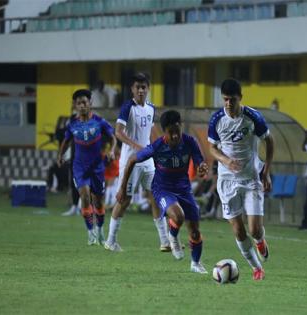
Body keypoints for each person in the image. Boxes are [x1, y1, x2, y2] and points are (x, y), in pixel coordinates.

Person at [116, 110, 209, 274]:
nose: (174, 136)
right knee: (178, 216)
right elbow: (131, 160)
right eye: (170, 132)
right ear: (164, 131)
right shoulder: (157, 146)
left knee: (194, 230)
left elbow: (199, 161)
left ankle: (195, 264)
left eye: (177, 131)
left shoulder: (190, 142)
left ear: (181, 127)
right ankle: (172, 236)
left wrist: (202, 167)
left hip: (184, 190)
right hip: (162, 189)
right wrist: (123, 187)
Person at [207, 78, 274, 281]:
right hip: (227, 181)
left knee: (254, 229)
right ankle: (256, 267)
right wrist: (225, 160)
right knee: (238, 229)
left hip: (252, 177)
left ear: (240, 98)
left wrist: (267, 170)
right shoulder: (217, 119)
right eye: (225, 99)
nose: (228, 103)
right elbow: (212, 148)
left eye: (232, 100)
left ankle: (260, 240)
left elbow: (269, 141)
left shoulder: (253, 117)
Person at [104, 72, 170, 252]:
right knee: (124, 200)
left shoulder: (151, 108)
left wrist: (157, 147)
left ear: (148, 89)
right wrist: (137, 146)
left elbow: (150, 131)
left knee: (156, 197)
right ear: (132, 89)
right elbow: (118, 132)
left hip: (147, 161)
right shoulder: (127, 107)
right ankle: (111, 241)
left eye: (144, 87)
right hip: (130, 160)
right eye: (137, 87)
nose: (141, 90)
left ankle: (165, 241)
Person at [57, 89, 117, 245]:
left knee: (98, 201)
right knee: (84, 196)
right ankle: (90, 232)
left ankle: (100, 230)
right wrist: (60, 155)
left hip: (97, 167)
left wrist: (111, 150)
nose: (82, 106)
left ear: (90, 103)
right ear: (75, 106)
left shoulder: (100, 121)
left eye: (84, 102)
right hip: (79, 167)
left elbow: (112, 137)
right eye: (79, 103)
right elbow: (66, 142)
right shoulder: (72, 125)